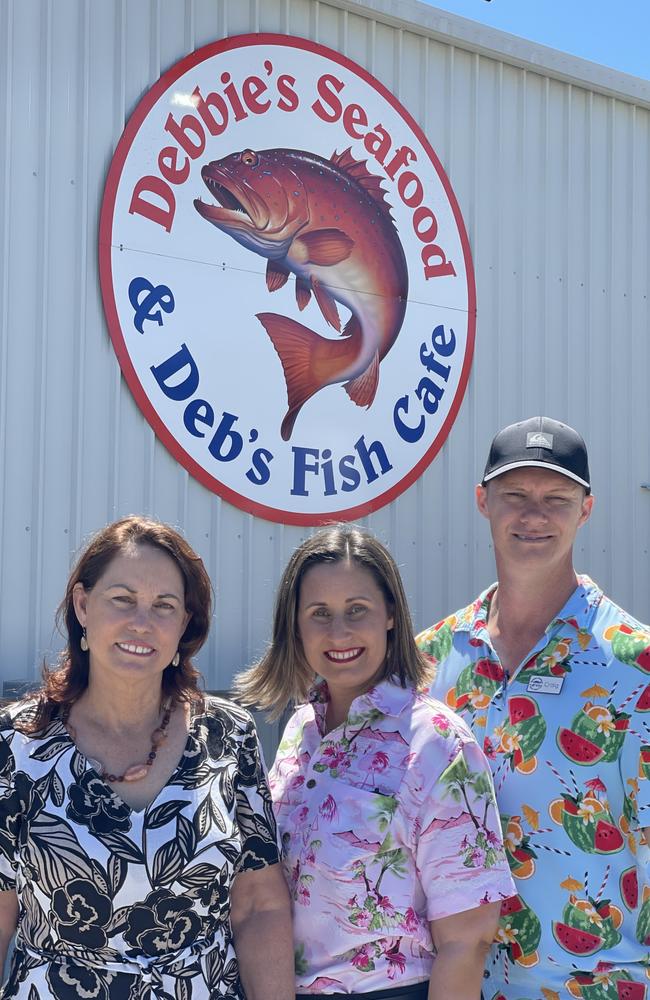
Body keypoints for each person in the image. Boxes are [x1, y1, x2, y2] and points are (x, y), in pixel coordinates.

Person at [0, 515, 294, 1000]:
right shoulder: (16, 742)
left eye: (164, 606)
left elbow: (258, 906)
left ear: (184, 625)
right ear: (82, 605)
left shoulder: (229, 735)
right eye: (122, 599)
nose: (142, 621)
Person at [416, 416, 650, 1000]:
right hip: (453, 984)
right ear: (482, 501)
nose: (534, 515)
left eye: (557, 498)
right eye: (514, 496)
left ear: (587, 509)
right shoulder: (429, 659)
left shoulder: (636, 662)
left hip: (598, 985)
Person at [235, 524, 515, 1000]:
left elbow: (467, 940)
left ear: (390, 614)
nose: (338, 631)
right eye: (319, 613)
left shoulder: (439, 744)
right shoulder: (298, 732)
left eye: (357, 610)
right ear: (295, 625)